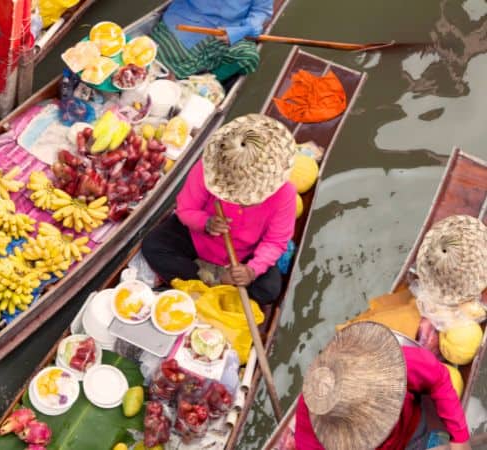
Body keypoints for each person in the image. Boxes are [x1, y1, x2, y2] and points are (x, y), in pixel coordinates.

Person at [142, 113, 297, 305]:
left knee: (268, 290)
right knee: (153, 245)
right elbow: (185, 209)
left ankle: (209, 284)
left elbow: (275, 241)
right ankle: (210, 283)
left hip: (245, 254)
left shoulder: (286, 194)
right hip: (199, 240)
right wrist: (205, 223)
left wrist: (252, 270)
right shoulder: (208, 169)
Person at [294, 321, 471, 450]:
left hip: (413, 426)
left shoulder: (388, 364)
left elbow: (438, 378)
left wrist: (460, 438)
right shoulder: (313, 429)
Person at [150, 0, 273, 81]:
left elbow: (261, 11)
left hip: (229, 28)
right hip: (187, 17)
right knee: (159, 58)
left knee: (248, 56)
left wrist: (243, 30)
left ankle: (204, 84)